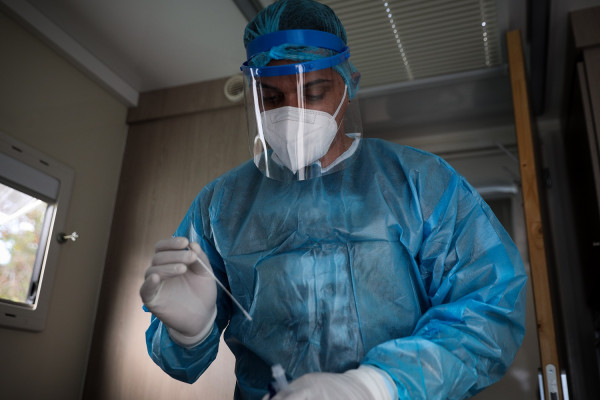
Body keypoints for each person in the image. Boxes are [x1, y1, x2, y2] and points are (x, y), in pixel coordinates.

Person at [140, 1, 527, 399]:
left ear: (349, 84)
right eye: (272, 98)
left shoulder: (418, 181)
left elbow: (489, 310)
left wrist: (376, 386)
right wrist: (188, 334)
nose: (292, 112)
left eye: (313, 92)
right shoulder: (220, 205)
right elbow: (178, 364)